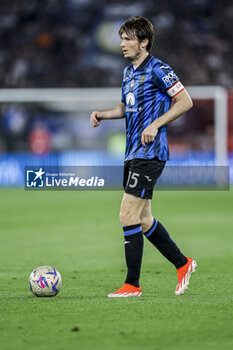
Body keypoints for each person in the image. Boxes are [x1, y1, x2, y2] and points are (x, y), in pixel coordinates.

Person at [90, 16, 197, 297]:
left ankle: (132, 284)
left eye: (127, 39)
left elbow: (185, 100)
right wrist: (103, 114)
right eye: (122, 38)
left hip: (150, 154)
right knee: (144, 219)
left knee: (127, 214)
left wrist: (156, 123)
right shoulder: (128, 72)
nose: (122, 44)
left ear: (144, 42)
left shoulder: (159, 69)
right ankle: (183, 263)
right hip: (132, 154)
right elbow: (127, 107)